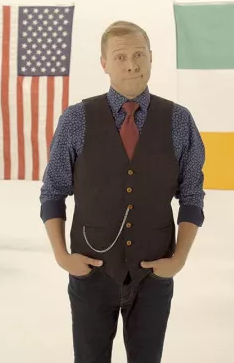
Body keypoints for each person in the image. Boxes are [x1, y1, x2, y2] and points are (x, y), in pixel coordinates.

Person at [39, 20, 206, 362]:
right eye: (120, 56)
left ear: (150, 58)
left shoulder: (179, 120)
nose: (131, 64)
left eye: (138, 54)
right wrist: (62, 256)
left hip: (153, 276)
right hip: (91, 273)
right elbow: (53, 191)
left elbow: (192, 196)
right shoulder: (76, 119)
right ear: (104, 63)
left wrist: (179, 259)